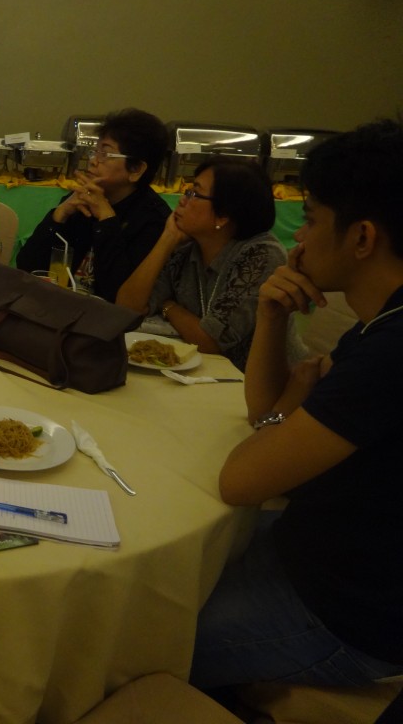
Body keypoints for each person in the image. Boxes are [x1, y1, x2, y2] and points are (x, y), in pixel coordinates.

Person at [190, 119, 403, 691]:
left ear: (362, 238)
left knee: (140, 632)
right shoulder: (379, 324)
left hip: (339, 615)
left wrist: (285, 414)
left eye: (308, 219)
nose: (298, 239)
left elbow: (242, 478)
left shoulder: (389, 355)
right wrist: (270, 316)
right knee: (159, 568)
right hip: (306, 550)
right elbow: (269, 415)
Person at [115, 157, 296, 370]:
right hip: (202, 373)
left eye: (194, 194)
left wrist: (169, 306)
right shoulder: (187, 248)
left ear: (223, 216)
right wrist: (167, 239)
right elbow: (126, 309)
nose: (182, 200)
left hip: (259, 383)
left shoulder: (261, 254)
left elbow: (212, 341)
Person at [15, 108, 170, 301]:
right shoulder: (82, 200)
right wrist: (59, 215)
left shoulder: (154, 220)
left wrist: (106, 220)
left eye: (105, 154)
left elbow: (118, 295)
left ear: (136, 169)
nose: (93, 161)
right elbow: (27, 267)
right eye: (94, 151)